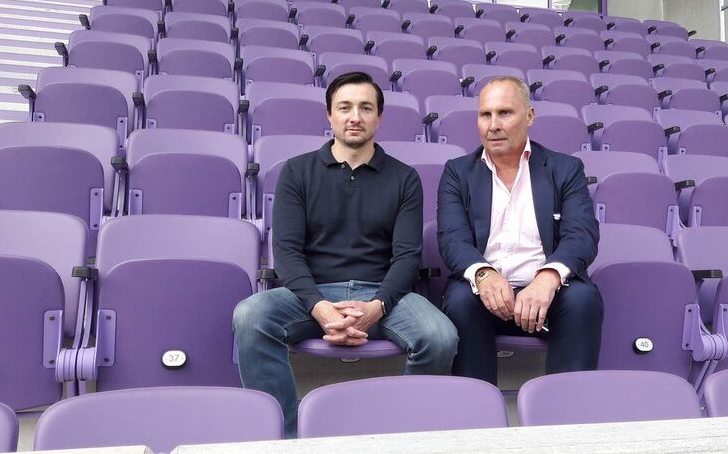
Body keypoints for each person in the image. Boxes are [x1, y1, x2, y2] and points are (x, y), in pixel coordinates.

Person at [233, 71, 458, 436]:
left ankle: (406, 435)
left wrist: (376, 307)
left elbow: (406, 257)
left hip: (384, 295)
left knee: (440, 335)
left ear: (379, 117)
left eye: (365, 107)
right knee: (250, 315)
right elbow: (287, 253)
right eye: (345, 107)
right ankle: (283, 439)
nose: (355, 116)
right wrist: (318, 307)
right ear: (330, 115)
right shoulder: (297, 171)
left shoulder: (404, 178)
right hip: (313, 293)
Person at [438, 76, 602, 385]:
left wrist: (548, 278)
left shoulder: (565, 169)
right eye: (485, 114)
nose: (493, 124)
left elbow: (582, 235)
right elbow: (452, 239)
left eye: (505, 113)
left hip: (549, 291)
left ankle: (568, 416)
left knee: (583, 300)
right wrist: (483, 274)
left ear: (529, 116)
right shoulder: (457, 172)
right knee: (460, 301)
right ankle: (477, 414)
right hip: (482, 289)